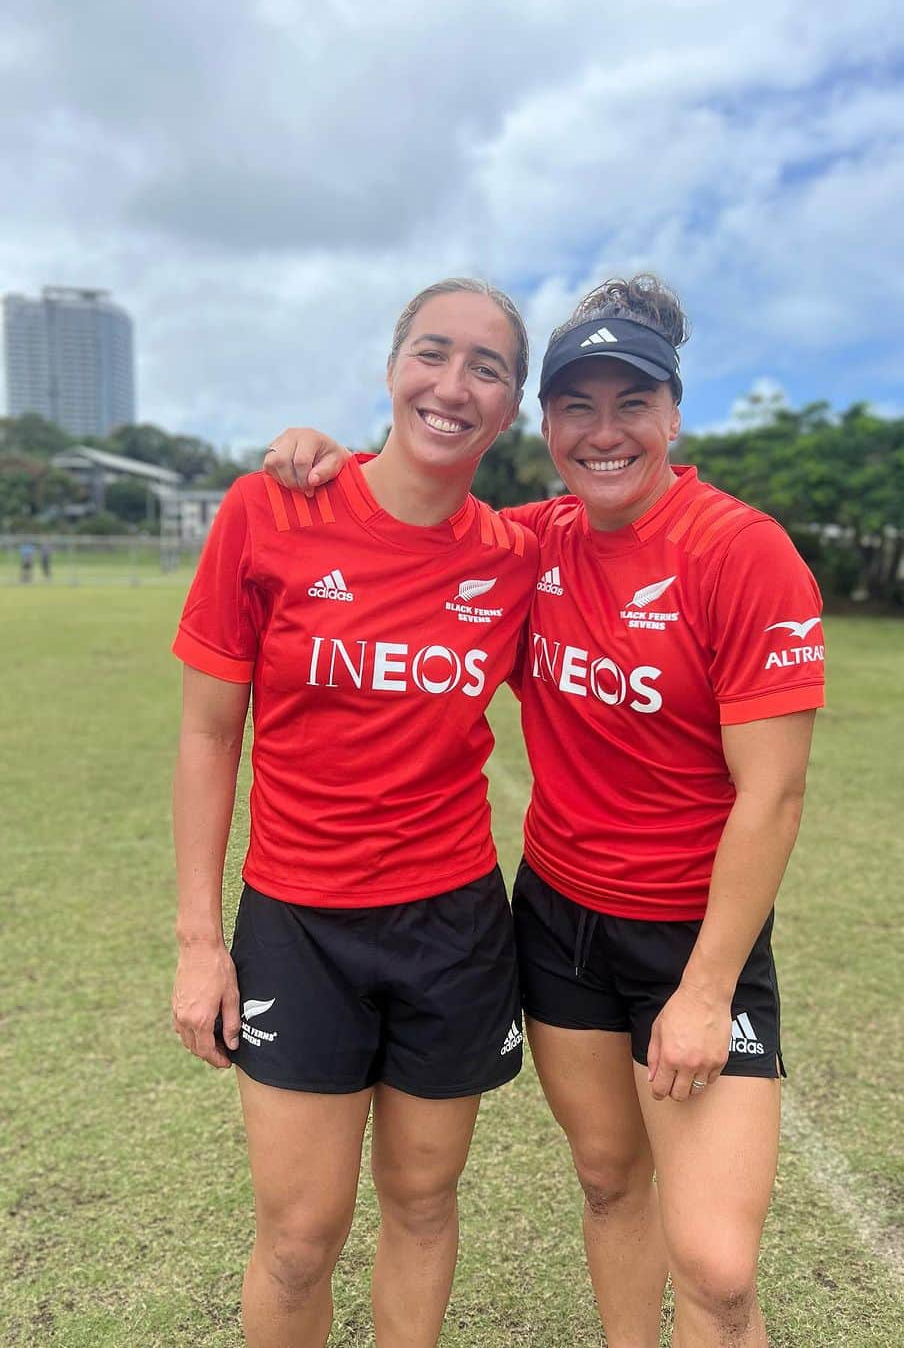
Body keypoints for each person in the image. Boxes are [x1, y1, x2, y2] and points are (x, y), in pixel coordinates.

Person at [266, 274, 825, 1348]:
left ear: (673, 412)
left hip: (692, 938)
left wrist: (705, 992)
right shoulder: (532, 544)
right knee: (611, 1179)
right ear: (548, 421)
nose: (604, 431)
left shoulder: (739, 550)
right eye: (578, 404)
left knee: (717, 1264)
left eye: (632, 403)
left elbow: (776, 792)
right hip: (560, 923)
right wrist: (319, 456)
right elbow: (414, 522)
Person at [171, 277, 538, 1348]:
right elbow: (206, 736)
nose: (454, 384)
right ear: (392, 369)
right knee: (298, 1235)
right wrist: (200, 942)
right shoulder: (272, 508)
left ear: (511, 406)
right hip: (299, 926)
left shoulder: (518, 558)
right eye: (434, 352)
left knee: (423, 1204)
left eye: (488, 367)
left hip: (455, 928)